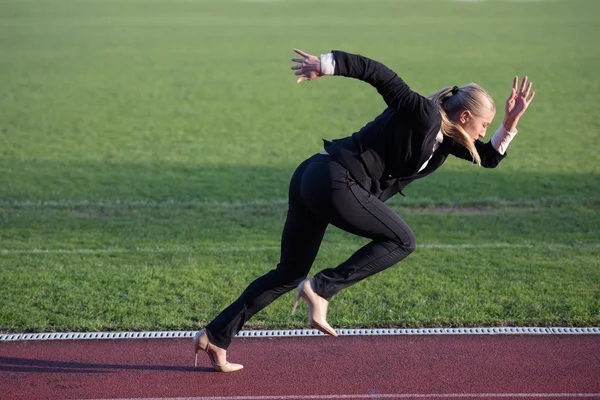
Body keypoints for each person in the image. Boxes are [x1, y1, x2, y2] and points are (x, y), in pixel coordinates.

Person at [193, 48, 536, 372]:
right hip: (334, 180)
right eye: (484, 125)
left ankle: (215, 336)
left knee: (288, 272)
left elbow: (488, 158)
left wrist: (510, 121)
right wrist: (325, 64)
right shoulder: (422, 112)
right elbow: (378, 73)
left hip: (312, 176)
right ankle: (322, 288)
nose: (482, 133)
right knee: (403, 240)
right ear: (465, 116)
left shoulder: (446, 138)